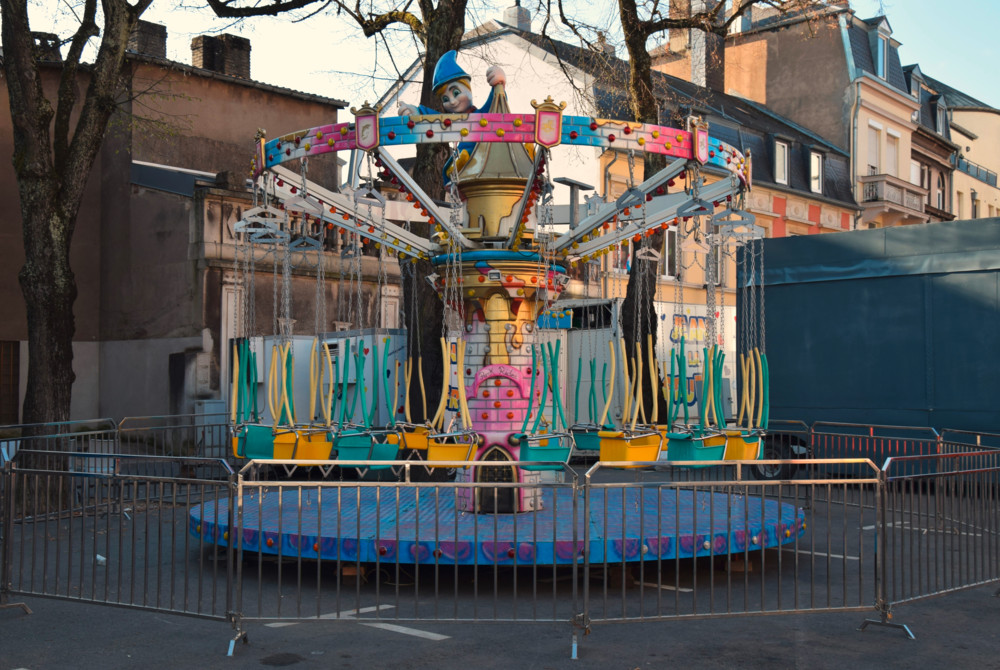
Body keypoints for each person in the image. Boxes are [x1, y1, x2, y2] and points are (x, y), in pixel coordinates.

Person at [398, 50, 506, 182]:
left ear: (468, 89)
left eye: (456, 92)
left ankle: (463, 164)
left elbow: (494, 104)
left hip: (487, 161)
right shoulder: (452, 122)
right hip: (463, 164)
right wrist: (416, 112)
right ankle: (461, 165)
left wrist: (499, 85)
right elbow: (433, 117)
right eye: (445, 99)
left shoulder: (480, 116)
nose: (452, 101)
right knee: (456, 164)